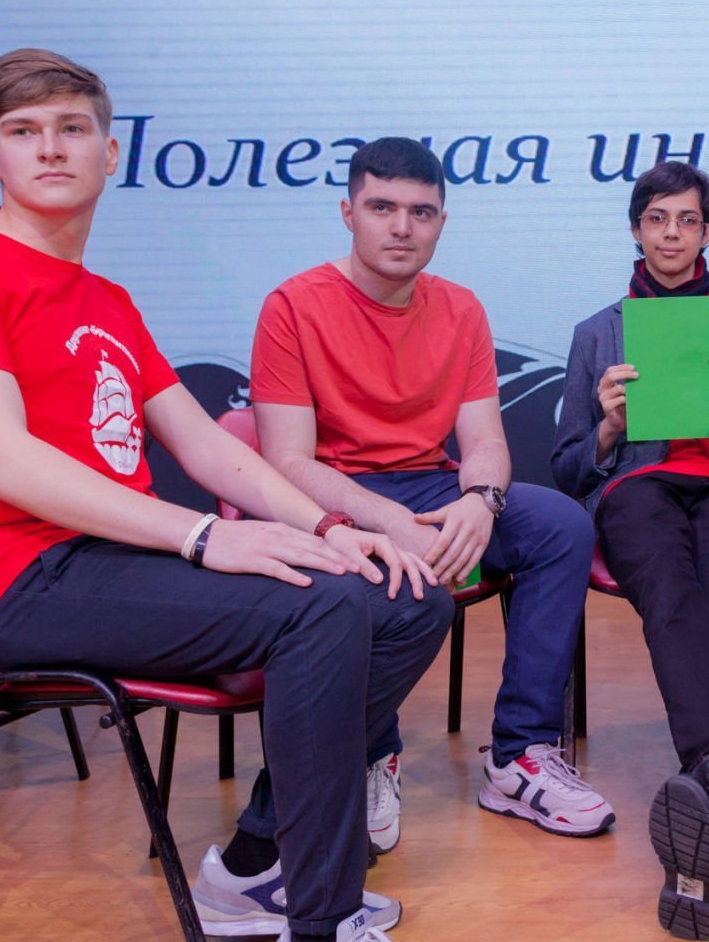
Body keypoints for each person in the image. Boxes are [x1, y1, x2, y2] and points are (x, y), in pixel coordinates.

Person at [0, 49, 478, 942]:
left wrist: (331, 529)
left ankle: (253, 866)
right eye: (23, 132)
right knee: (322, 607)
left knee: (405, 591)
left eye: (71, 128)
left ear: (110, 152)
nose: (50, 148)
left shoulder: (105, 298)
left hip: (114, 560)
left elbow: (205, 445)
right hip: (28, 580)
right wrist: (206, 534)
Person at [253, 136, 613, 848]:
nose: (401, 227)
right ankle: (366, 753)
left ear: (441, 222)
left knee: (561, 525)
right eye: (381, 207)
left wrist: (481, 500)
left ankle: (519, 755)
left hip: (432, 485)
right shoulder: (292, 305)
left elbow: (485, 441)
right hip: (332, 500)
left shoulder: (461, 308)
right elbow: (285, 462)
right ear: (348, 212)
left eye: (420, 212)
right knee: (390, 582)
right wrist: (386, 523)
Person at [551, 162, 709, 939]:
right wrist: (608, 427)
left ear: (707, 232)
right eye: (657, 219)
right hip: (637, 488)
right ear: (636, 229)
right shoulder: (598, 331)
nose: (671, 234)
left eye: (687, 220)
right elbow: (566, 469)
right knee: (670, 590)